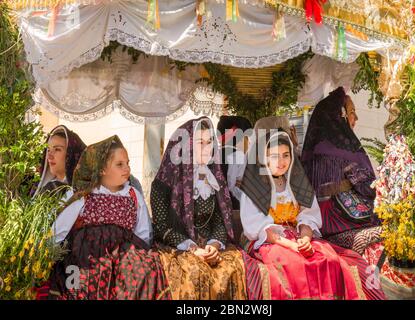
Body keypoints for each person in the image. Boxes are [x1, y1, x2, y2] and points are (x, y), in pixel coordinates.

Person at [150, 117, 268, 300]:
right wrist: (192, 248)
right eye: (200, 143)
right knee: (194, 275)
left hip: (211, 246)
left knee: (237, 270)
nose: (206, 148)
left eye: (209, 142)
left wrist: (214, 244)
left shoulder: (215, 178)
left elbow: (221, 220)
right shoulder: (163, 183)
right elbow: (161, 226)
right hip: (178, 247)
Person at [48, 135, 170, 300]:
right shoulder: (83, 194)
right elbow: (59, 229)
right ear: (101, 169)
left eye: (127, 163)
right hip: (87, 256)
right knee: (81, 281)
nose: (127, 169)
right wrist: (45, 253)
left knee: (144, 274)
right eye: (119, 164)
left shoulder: (133, 195)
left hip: (126, 256)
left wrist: (142, 255)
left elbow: (143, 233)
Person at [301, 87, 382, 257]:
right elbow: (367, 188)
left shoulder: (315, 147)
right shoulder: (343, 150)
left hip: (319, 217)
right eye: (352, 111)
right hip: (341, 217)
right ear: (341, 115)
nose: (356, 118)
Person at [31, 125, 86, 198]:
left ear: (72, 154)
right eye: (48, 150)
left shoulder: (84, 191)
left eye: (57, 149)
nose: (49, 156)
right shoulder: (36, 187)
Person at [216, 116, 252, 209]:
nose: (249, 143)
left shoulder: (211, 154)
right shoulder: (240, 157)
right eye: (247, 137)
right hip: (237, 209)